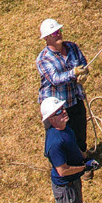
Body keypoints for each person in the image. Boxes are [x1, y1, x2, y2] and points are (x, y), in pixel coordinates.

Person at [42, 96, 95, 203]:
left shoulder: (65, 128)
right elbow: (63, 170)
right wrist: (84, 168)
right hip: (66, 187)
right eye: (58, 112)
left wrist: (84, 157)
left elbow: (74, 145)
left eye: (62, 109)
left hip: (73, 182)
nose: (64, 112)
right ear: (51, 119)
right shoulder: (54, 142)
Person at [37, 18, 89, 153]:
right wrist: (74, 72)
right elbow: (55, 79)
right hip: (56, 106)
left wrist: (84, 73)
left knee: (80, 130)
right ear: (46, 38)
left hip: (74, 98)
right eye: (54, 33)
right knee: (62, 137)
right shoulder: (43, 59)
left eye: (59, 31)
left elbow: (84, 64)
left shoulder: (72, 47)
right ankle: (65, 166)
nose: (58, 34)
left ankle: (83, 159)